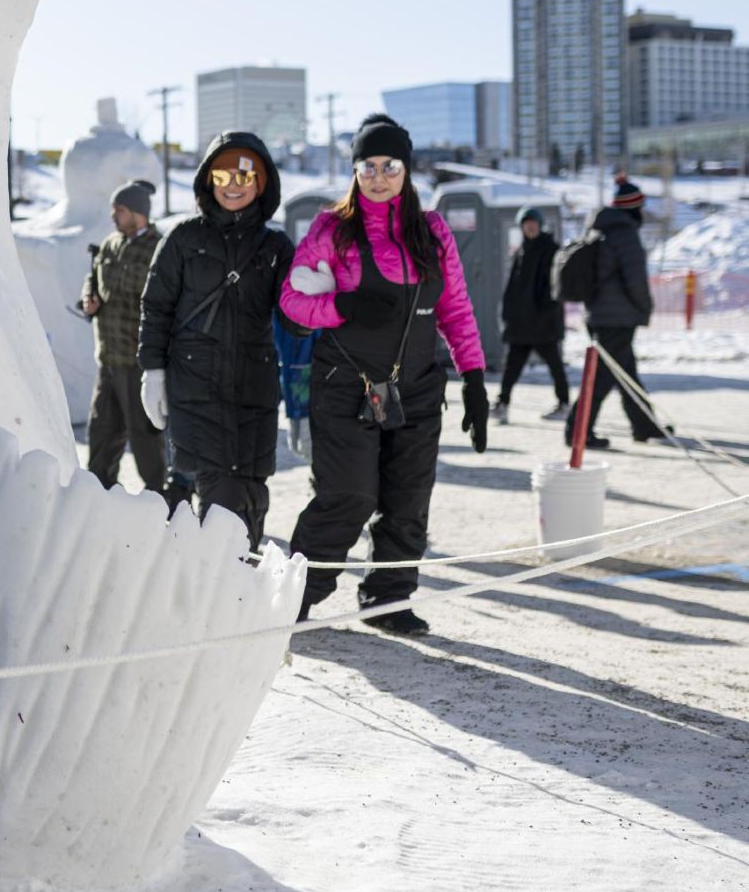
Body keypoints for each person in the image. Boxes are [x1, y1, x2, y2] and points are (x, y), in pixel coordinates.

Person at [278, 114, 487, 634]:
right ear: (355, 171)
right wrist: (342, 306)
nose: (378, 176)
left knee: (407, 500)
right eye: (367, 166)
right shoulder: (332, 229)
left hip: (416, 387)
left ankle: (387, 599)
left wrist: (475, 380)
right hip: (345, 386)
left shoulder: (433, 232)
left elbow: (455, 310)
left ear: (406, 169)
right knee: (349, 495)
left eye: (389, 165)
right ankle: (292, 599)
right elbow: (291, 301)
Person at [136, 132, 294, 547]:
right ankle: (219, 578)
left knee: (252, 494)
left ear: (262, 182)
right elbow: (156, 307)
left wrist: (312, 294)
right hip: (195, 386)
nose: (233, 185)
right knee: (221, 497)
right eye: (222, 175)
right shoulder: (184, 238)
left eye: (245, 175)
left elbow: (294, 320)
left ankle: (238, 577)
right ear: (209, 180)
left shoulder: (276, 247)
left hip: (254, 390)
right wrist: (152, 371)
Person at [80, 180, 165, 490]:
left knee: (145, 441)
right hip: (107, 361)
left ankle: (161, 503)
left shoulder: (159, 248)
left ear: (138, 212)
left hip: (138, 363)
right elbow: (92, 278)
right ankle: (100, 499)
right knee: (101, 435)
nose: (113, 215)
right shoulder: (110, 244)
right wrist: (88, 298)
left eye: (120, 210)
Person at [568, 177, 662, 448]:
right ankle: (577, 431)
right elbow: (635, 280)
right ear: (633, 208)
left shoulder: (601, 231)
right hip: (617, 318)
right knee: (601, 377)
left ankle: (644, 425)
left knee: (626, 373)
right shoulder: (625, 235)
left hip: (600, 314)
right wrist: (645, 307)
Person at [496, 206, 569, 424]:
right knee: (512, 365)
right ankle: (502, 404)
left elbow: (553, 289)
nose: (530, 228)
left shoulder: (550, 249)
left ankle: (564, 404)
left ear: (540, 225)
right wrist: (508, 313)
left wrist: (545, 313)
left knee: (555, 364)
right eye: (526, 224)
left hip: (542, 323)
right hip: (521, 322)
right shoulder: (522, 251)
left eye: (533, 224)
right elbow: (514, 287)